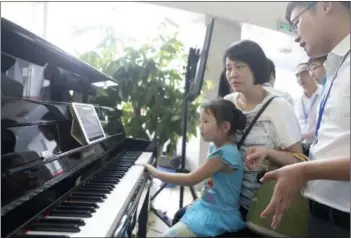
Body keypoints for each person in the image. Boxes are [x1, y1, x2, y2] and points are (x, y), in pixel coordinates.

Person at [172, 40, 304, 237]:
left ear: (257, 67)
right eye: (228, 67)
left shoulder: (279, 108)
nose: (232, 73)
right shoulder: (228, 102)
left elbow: (299, 161)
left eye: (240, 66)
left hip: (256, 207)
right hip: (223, 201)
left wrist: (268, 152)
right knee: (180, 217)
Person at [261, 1, 350, 237]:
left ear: (326, 5)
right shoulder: (337, 67)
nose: (295, 36)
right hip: (323, 214)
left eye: (296, 23)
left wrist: (303, 171)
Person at [140, 99, 247, 237]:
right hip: (208, 205)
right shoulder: (216, 146)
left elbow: (191, 179)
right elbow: (213, 182)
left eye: (206, 121)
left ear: (225, 127)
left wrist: (156, 173)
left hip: (218, 214)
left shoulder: (224, 154)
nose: (200, 126)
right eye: (200, 121)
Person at [294, 62, 322, 149]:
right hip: (301, 146)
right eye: (297, 75)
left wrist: (305, 135)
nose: (300, 78)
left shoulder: (324, 93)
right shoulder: (297, 100)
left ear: (312, 73)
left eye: (304, 73)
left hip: (320, 143)